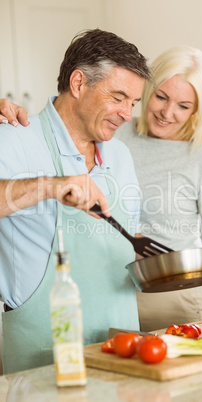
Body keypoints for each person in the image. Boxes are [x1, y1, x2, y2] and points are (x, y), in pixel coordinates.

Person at [0, 46, 202, 332]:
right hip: (95, 303)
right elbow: (59, 123)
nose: (167, 112)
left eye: (183, 106)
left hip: (161, 298)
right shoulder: (111, 133)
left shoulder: (129, 150)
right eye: (160, 96)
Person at [0, 28, 151, 374]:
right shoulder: (13, 139)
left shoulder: (122, 155)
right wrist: (52, 185)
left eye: (133, 102)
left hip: (123, 351)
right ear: (79, 83)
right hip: (43, 356)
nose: (127, 114)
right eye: (118, 97)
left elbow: (126, 242)